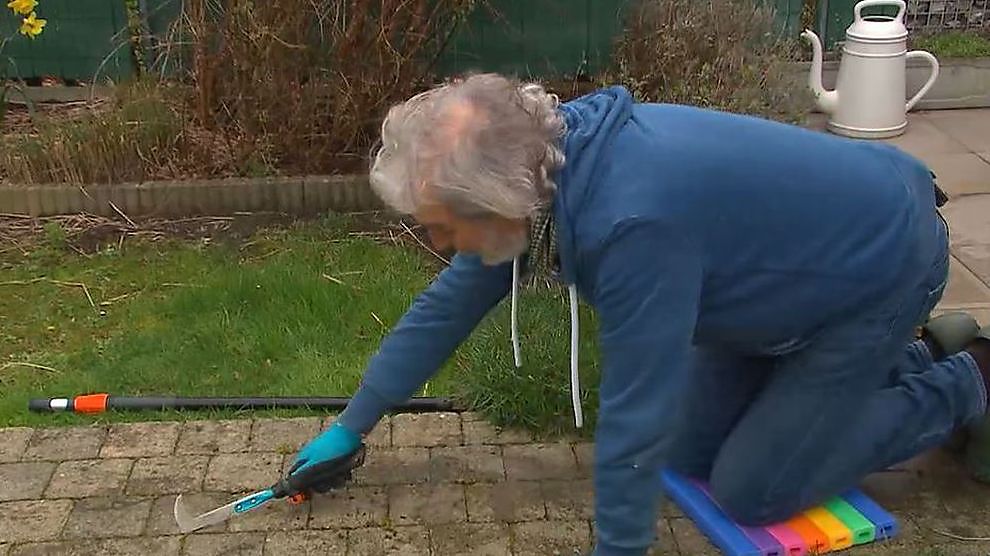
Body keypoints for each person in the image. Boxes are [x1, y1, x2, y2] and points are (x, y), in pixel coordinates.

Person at [289, 73, 990, 555]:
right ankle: (911, 357)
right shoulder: (540, 163)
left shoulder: (633, 227)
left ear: (494, 201)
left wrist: (619, 548)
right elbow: (446, 307)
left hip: (879, 272)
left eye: (443, 225)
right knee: (690, 454)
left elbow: (635, 411)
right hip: (784, 284)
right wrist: (353, 425)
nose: (441, 243)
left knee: (753, 488)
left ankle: (967, 379)